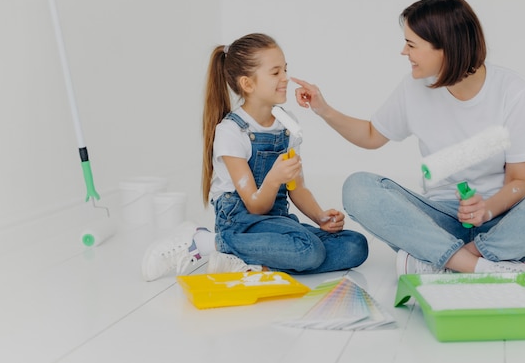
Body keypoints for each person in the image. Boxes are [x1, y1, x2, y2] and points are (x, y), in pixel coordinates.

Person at [291, 0, 525, 285]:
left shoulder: (512, 92)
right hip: (438, 222)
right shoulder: (414, 88)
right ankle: (486, 267)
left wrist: (486, 209)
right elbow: (372, 135)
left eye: (411, 44)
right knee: (358, 188)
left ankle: (452, 260)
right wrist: (323, 109)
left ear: (445, 48)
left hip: (503, 221)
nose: (403, 52)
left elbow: (519, 180)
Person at [142, 33, 368, 281]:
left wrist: (320, 217)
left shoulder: (287, 124)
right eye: (275, 73)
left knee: (355, 246)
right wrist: (273, 179)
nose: (285, 78)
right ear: (248, 84)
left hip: (276, 223)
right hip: (242, 222)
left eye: (285, 69)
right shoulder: (231, 131)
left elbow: (297, 188)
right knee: (308, 250)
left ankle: (261, 260)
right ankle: (206, 242)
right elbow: (255, 205)